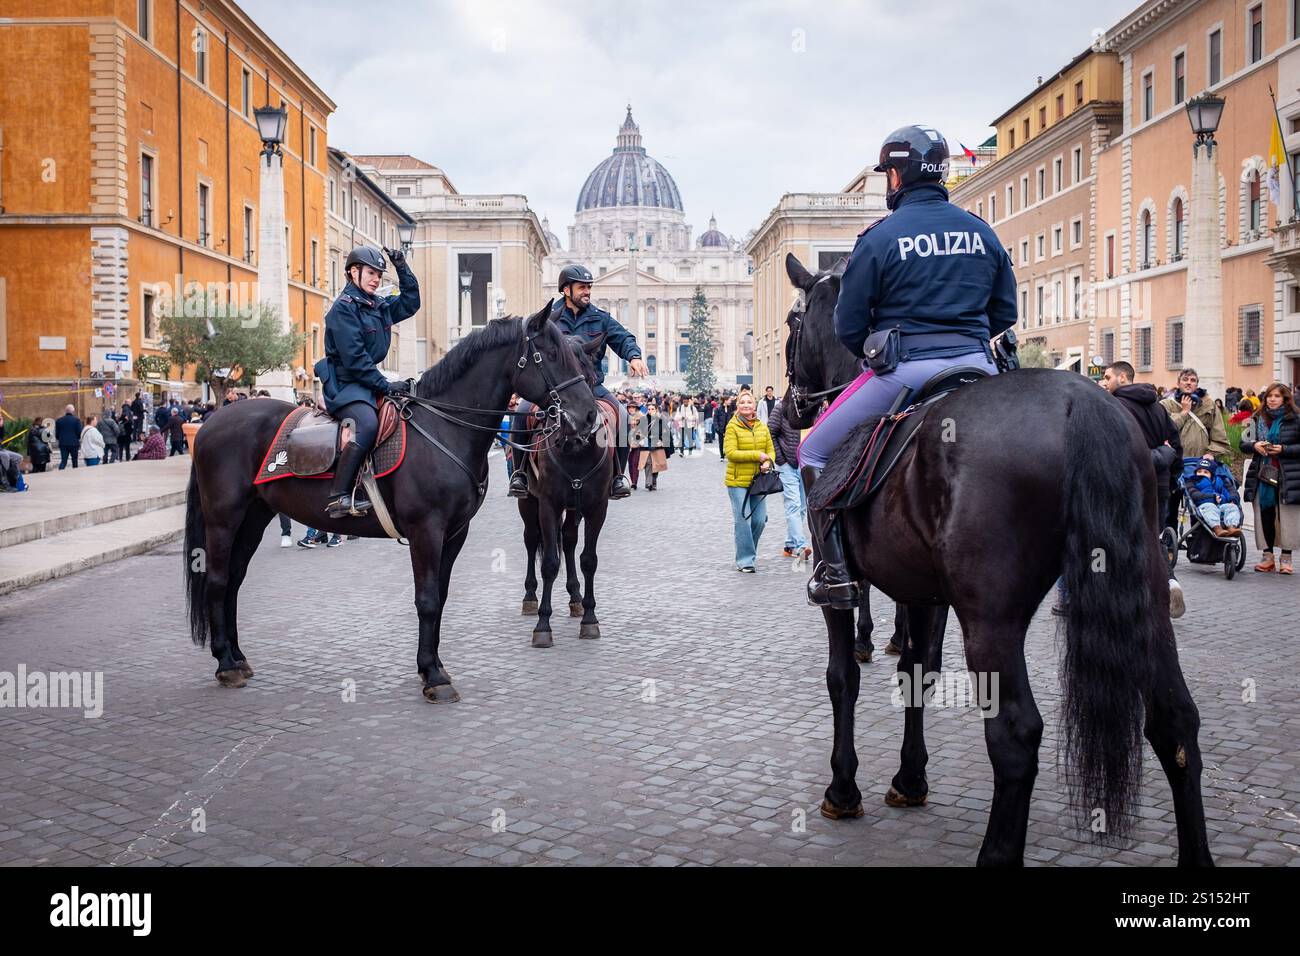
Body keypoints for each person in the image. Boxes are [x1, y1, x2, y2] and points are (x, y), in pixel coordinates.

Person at [798, 124, 1014, 608]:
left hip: (909, 369)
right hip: (981, 369)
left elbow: (848, 326)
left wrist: (879, 344)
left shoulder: (878, 238)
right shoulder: (982, 232)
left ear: (897, 177)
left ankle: (834, 574)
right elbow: (1006, 313)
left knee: (811, 450)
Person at [508, 264, 646, 499]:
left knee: (622, 416)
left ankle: (617, 477)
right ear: (566, 289)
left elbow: (622, 338)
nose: (587, 292)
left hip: (591, 385)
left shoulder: (601, 318)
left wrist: (634, 356)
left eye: (589, 288)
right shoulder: (548, 319)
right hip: (555, 388)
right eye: (582, 287)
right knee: (522, 413)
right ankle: (519, 473)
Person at [313, 244, 420, 518]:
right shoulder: (342, 310)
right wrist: (385, 386)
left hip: (368, 380)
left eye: (379, 275)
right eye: (371, 273)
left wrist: (402, 268)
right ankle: (339, 496)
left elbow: (411, 302)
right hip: (347, 384)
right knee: (367, 424)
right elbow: (356, 360)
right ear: (353, 272)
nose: (376, 279)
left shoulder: (378, 306)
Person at [1101, 360, 1186, 617]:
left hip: (1127, 480)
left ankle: (1115, 593)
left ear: (1123, 378)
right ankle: (1169, 582)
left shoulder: (1114, 407)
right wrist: (1170, 478)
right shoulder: (1159, 408)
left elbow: (1116, 449)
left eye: (1108, 377)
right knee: (1153, 536)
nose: (1104, 382)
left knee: (1112, 538)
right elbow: (1175, 445)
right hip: (1158, 482)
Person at [1242, 382, 1300, 574]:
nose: (1272, 399)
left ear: (1285, 399)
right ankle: (1267, 557)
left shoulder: (1295, 418)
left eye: (1277, 396)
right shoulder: (1255, 418)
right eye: (1269, 396)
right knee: (1264, 514)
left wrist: (1284, 449)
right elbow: (1243, 443)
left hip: (1288, 474)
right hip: (1262, 473)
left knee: (1286, 516)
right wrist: (1255, 446)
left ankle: (1286, 559)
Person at [723, 391, 776, 572]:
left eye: (749, 402)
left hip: (758, 481)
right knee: (743, 519)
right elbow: (730, 452)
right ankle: (745, 560)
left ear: (755, 406)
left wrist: (768, 461)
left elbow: (771, 450)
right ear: (737, 406)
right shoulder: (732, 426)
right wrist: (758, 456)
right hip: (737, 481)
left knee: (760, 520)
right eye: (742, 402)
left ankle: (747, 549)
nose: (746, 405)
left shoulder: (762, 426)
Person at [768, 397, 811, 559]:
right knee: (793, 505)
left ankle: (789, 544)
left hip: (805, 464)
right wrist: (781, 459)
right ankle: (801, 546)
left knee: (801, 507)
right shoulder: (781, 408)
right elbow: (770, 432)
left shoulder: (812, 409)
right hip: (787, 464)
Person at [1160, 367, 1230, 462]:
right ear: (1178, 383)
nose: (1189, 382)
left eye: (1193, 380)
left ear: (1196, 385)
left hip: (1200, 465)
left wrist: (1211, 454)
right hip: (1173, 463)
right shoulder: (1166, 405)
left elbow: (1219, 437)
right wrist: (1184, 413)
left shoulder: (1209, 405)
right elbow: (1163, 431)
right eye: (1185, 379)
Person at [1186, 458, 1242, 537]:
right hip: (1204, 505)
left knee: (1232, 507)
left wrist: (1232, 499)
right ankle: (1217, 528)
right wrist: (1212, 497)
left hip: (1221, 505)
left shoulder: (1219, 481)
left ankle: (1232, 526)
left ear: (1211, 474)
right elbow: (1194, 494)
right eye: (1199, 471)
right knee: (1210, 507)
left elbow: (1229, 491)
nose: (1202, 474)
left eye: (1205, 472)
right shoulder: (1193, 481)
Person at [638, 400, 670, 491]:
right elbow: (638, 431)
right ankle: (648, 482)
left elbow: (666, 432)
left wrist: (662, 441)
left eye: (652, 409)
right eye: (649, 409)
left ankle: (654, 481)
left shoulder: (661, 420)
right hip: (646, 444)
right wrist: (639, 439)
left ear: (656, 410)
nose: (650, 410)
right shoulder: (644, 419)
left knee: (656, 464)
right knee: (648, 463)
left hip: (657, 444)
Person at [55, 405, 82, 469]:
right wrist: (77, 438)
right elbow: (79, 432)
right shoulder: (76, 420)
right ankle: (75, 475)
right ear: (73, 411)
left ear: (66, 411)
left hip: (63, 443)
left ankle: (60, 473)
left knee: (63, 461)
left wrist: (60, 439)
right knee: (74, 461)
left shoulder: (59, 420)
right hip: (74, 443)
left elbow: (57, 434)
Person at [627, 402, 644, 489]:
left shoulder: (640, 416)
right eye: (629, 407)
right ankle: (632, 480)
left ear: (636, 408)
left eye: (633, 407)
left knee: (634, 463)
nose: (631, 409)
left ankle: (634, 482)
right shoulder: (626, 417)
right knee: (630, 463)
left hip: (638, 444)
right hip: (628, 445)